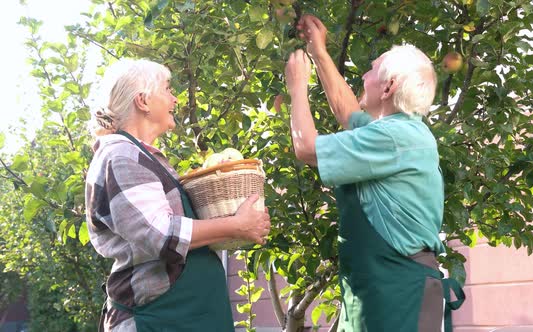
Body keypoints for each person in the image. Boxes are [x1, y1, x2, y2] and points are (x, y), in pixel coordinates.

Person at [285, 15, 464, 332]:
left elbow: (306, 148)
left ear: (389, 85)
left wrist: (297, 86)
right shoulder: (396, 133)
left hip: (399, 298)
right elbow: (347, 111)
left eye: (372, 69)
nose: (364, 74)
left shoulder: (397, 139)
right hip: (374, 295)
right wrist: (318, 52)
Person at [85, 59, 271, 331]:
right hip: (158, 319)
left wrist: (241, 227)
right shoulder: (121, 156)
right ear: (143, 101)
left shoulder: (144, 156)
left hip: (185, 316)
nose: (175, 98)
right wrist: (237, 225)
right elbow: (160, 234)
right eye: (168, 89)